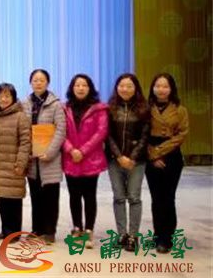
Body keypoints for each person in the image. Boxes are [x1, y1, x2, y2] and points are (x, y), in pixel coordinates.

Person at [62, 74, 108, 248]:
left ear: (90, 88)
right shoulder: (65, 108)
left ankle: (89, 230)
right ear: (72, 88)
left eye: (84, 85)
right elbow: (60, 131)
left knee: (89, 195)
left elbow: (101, 132)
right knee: (74, 195)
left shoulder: (99, 109)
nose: (81, 88)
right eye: (77, 85)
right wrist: (70, 149)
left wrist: (82, 151)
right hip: (70, 158)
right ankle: (77, 227)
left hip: (91, 158)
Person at [106, 73, 150, 252]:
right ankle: (121, 234)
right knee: (118, 197)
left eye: (129, 86)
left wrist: (132, 157)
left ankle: (133, 236)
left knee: (134, 197)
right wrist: (119, 156)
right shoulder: (110, 108)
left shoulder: (144, 109)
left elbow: (145, 136)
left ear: (136, 88)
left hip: (136, 161)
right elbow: (108, 135)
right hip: (114, 160)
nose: (125, 89)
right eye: (122, 85)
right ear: (117, 87)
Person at [145, 73, 188, 254]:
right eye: (158, 86)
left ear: (171, 89)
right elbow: (141, 133)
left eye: (165, 86)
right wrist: (152, 155)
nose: (161, 90)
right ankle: (157, 234)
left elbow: (182, 134)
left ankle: (166, 237)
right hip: (150, 154)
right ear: (153, 88)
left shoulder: (180, 110)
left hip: (172, 156)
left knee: (168, 197)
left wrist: (160, 152)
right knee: (156, 197)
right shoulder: (146, 108)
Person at [22, 69, 66, 244]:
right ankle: (37, 229)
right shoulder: (25, 103)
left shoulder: (55, 104)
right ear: (30, 82)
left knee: (50, 196)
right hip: (32, 158)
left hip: (50, 158)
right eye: (35, 80)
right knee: (36, 196)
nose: (38, 83)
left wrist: (51, 152)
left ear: (47, 82)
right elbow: (23, 128)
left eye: (41, 80)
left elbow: (61, 130)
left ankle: (49, 232)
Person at [0, 83, 30, 243]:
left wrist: (21, 163)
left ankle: (14, 233)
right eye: (0, 96)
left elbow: (25, 142)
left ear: (13, 98)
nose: (3, 99)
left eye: (7, 96)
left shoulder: (20, 117)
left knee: (13, 200)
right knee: (1, 199)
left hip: (13, 166)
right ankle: (5, 230)